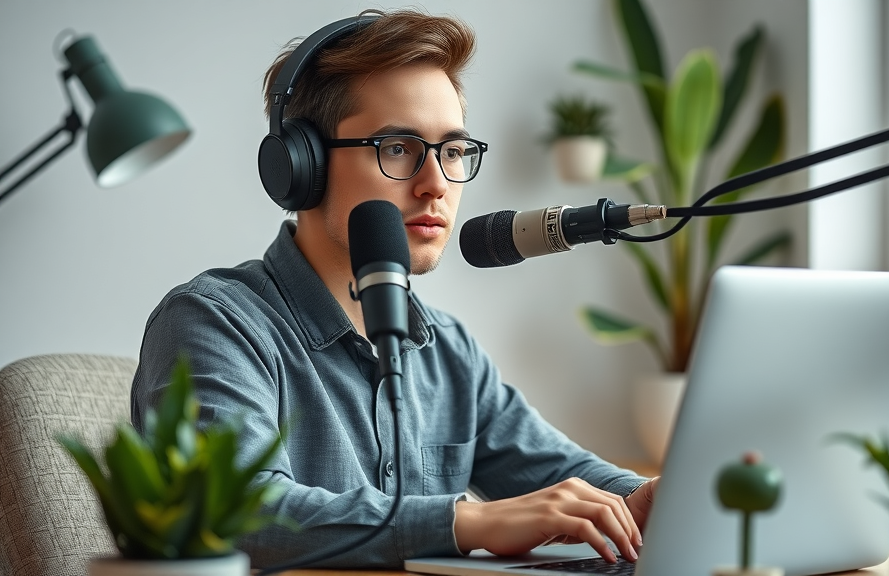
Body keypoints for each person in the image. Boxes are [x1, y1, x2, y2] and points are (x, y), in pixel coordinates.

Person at [130, 8, 659, 570]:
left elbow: (567, 478)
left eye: (453, 151)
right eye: (398, 148)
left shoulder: (447, 349)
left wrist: (650, 497)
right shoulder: (213, 324)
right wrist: (469, 521)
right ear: (300, 165)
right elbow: (236, 513)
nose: (436, 185)